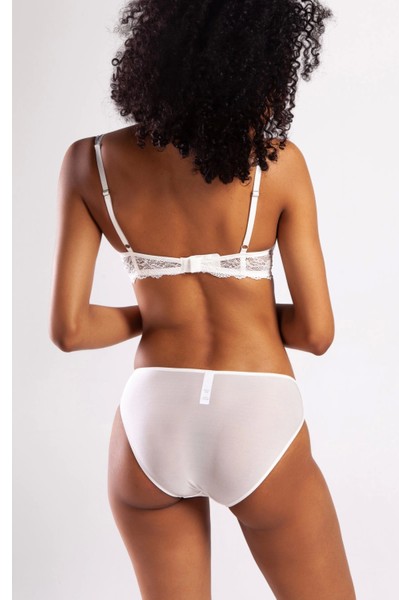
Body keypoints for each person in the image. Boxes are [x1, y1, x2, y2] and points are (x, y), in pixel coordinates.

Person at [49, 1, 356, 598]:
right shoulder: (277, 165)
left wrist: (157, 315)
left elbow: (70, 330)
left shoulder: (90, 163)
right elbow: (316, 333)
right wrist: (250, 313)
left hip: (152, 419)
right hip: (256, 412)